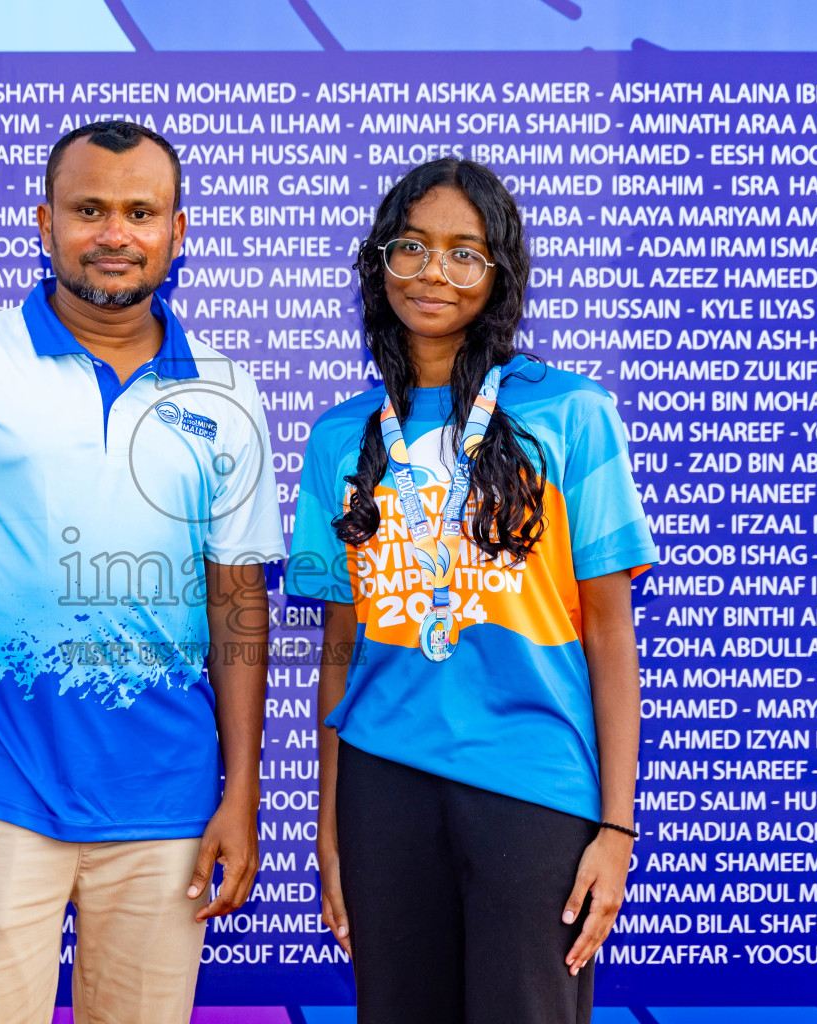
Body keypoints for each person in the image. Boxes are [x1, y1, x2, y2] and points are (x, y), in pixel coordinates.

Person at [0, 120, 286, 1024]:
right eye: (89, 209)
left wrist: (243, 796)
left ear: (177, 232)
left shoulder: (225, 389)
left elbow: (238, 603)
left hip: (168, 803)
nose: (115, 232)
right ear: (45, 222)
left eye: (140, 211)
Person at [284, 158, 656, 1024]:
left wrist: (617, 828)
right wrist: (331, 830)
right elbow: (340, 651)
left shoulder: (570, 412)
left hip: (532, 788)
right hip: (384, 784)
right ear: (378, 262)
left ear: (500, 275)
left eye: (464, 253)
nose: (434, 274)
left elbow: (609, 634)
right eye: (410, 247)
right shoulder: (342, 434)